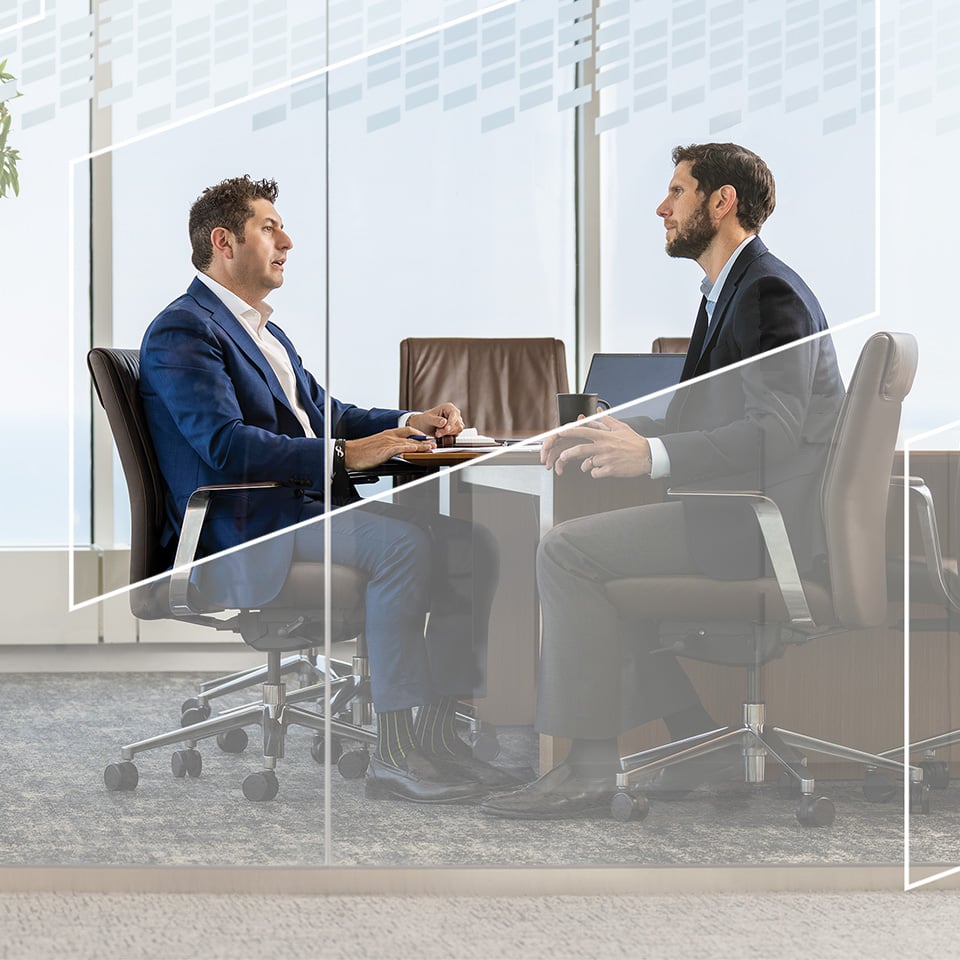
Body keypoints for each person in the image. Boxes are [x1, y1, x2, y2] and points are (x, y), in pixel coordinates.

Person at [480, 143, 845, 820]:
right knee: (598, 571)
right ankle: (697, 744)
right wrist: (609, 430)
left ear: (722, 201)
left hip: (761, 529)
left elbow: (775, 432)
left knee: (567, 552)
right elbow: (706, 414)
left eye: (677, 191)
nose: (661, 206)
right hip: (745, 518)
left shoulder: (766, 294)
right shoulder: (731, 290)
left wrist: (650, 457)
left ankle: (588, 769)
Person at [139, 175, 512, 804]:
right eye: (269, 227)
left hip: (300, 510)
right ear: (224, 242)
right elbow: (224, 445)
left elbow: (323, 413)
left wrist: (402, 422)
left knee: (471, 545)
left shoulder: (263, 331)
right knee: (402, 547)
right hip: (247, 528)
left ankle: (438, 735)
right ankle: (393, 756)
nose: (288, 239)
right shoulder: (185, 331)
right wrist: (344, 455)